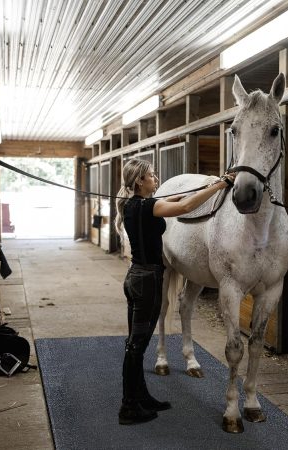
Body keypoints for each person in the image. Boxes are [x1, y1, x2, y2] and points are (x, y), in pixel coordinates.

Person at [114, 158, 235, 425]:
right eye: (152, 176)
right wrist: (220, 185)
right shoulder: (149, 206)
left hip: (136, 277)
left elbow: (177, 198)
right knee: (136, 346)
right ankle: (129, 407)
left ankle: (141, 396)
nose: (156, 179)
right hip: (147, 281)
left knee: (136, 343)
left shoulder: (132, 204)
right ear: (139, 182)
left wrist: (206, 186)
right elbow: (185, 206)